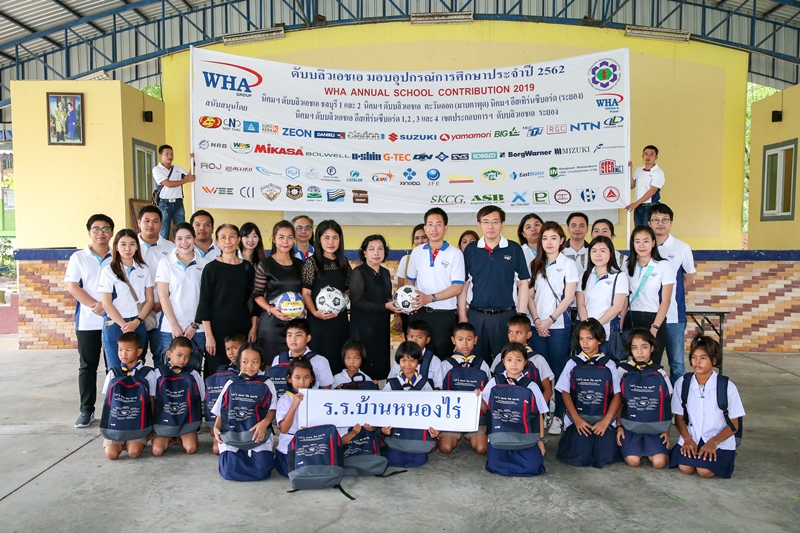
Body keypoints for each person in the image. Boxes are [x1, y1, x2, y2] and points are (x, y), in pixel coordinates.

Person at [527, 221, 579, 436]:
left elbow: (569, 297)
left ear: (561, 241)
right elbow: (529, 296)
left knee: (559, 371)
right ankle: (544, 412)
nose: (549, 242)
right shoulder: (534, 264)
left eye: (554, 238)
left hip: (559, 326)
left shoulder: (568, 264)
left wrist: (550, 319)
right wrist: (537, 320)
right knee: (540, 372)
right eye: (545, 238)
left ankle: (559, 415)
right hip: (537, 326)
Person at [459, 206, 530, 362]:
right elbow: (464, 285)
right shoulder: (471, 250)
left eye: (495, 222)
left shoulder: (514, 249)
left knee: (505, 361)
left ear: (502, 224)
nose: (490, 226)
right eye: (486, 222)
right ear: (479, 225)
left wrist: (521, 315)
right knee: (477, 361)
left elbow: (523, 283)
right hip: (476, 316)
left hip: (505, 317)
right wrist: (463, 315)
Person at [670, 334, 744, 479]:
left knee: (704, 471)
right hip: (692, 437)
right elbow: (679, 417)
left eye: (703, 358)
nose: (697, 361)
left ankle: (726, 456)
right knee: (686, 468)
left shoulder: (727, 387)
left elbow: (734, 425)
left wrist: (713, 442)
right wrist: (687, 439)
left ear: (714, 360)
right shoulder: (683, 383)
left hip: (719, 441)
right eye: (694, 357)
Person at [65, 214, 114, 428]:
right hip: (87, 322)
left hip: (114, 320)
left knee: (114, 367)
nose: (100, 233)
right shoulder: (78, 257)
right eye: (96, 229)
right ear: (89, 232)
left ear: (111, 233)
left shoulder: (118, 256)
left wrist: (107, 306)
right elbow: (73, 287)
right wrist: (97, 305)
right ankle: (87, 410)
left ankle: (113, 409)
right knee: (87, 366)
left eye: (105, 229)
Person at [555, 319, 623, 469]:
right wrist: (576, 419)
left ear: (600, 340)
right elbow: (565, 392)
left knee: (604, 455)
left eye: (589, 338)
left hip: (603, 418)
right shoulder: (572, 363)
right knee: (579, 456)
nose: (585, 343)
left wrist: (606, 421)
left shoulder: (609, 364)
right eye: (581, 339)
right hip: (579, 419)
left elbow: (618, 396)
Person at [196, 224, 257, 377]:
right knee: (218, 372)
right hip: (217, 330)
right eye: (223, 237)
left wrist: (254, 327)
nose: (227, 241)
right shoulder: (211, 269)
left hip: (242, 328)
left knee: (243, 370)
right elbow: (204, 302)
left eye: (231, 237)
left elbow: (254, 299)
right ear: (217, 241)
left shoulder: (247, 268)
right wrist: (209, 336)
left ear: (238, 239)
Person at [405, 208, 465, 360]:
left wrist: (430, 298)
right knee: (415, 358)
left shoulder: (455, 254)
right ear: (425, 228)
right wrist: (409, 304)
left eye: (438, 224)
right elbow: (410, 282)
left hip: (444, 316)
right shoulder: (417, 252)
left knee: (442, 358)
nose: (434, 229)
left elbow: (457, 288)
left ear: (446, 228)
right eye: (430, 224)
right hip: (419, 314)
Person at [212, 342, 277, 481]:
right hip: (233, 432)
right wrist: (216, 427)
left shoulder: (267, 383)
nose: (250, 366)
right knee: (228, 471)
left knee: (262, 471)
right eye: (245, 361)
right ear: (238, 362)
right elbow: (221, 410)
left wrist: (264, 423)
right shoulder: (231, 382)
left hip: (257, 434)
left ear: (261, 362)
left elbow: (272, 409)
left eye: (255, 362)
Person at [482, 342, 548, 476]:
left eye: (518, 360)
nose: (514, 364)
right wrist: (478, 398)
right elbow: (485, 409)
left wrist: (541, 440)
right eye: (509, 360)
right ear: (503, 362)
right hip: (500, 435)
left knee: (533, 466)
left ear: (525, 362)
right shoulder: (494, 382)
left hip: (525, 436)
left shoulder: (531, 386)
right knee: (494, 464)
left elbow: (539, 414)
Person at [650, 203, 695, 385]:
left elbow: (689, 279)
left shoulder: (682, 248)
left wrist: (670, 296)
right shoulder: (644, 246)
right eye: (656, 220)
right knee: (649, 361)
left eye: (665, 220)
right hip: (649, 314)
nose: (660, 223)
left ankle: (679, 400)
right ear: (649, 223)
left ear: (671, 222)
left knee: (676, 363)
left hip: (674, 316)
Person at [616, 329, 672, 469]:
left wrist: (666, 430)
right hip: (630, 426)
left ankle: (653, 449)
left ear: (652, 348)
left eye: (644, 347)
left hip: (654, 427)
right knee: (633, 461)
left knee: (659, 463)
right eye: (635, 348)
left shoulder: (659, 372)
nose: (639, 352)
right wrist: (619, 426)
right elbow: (617, 401)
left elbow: (667, 402)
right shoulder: (623, 370)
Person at [301, 220, 351, 375]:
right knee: (320, 361)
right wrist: (315, 313)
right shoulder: (312, 263)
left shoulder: (343, 262)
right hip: (318, 322)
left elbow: (348, 289)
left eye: (335, 237)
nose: (331, 242)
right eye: (326, 238)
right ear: (319, 239)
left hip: (339, 320)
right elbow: (306, 293)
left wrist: (342, 300)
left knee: (339, 357)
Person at [98, 229, 153, 369]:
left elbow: (150, 300)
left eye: (132, 244)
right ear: (116, 247)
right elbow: (106, 303)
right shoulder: (108, 271)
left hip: (137, 323)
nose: (127, 248)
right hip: (115, 325)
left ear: (137, 247)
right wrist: (124, 326)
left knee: (137, 366)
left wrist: (136, 322)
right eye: (123, 244)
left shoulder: (143, 269)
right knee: (116, 368)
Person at [381, 342, 440, 468]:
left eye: (412, 361)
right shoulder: (392, 384)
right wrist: (384, 427)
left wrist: (435, 429)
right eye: (404, 361)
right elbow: (382, 407)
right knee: (393, 459)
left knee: (419, 459)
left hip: (416, 432)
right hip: (396, 431)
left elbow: (432, 409)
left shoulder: (424, 384)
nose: (407, 365)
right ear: (398, 361)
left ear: (418, 362)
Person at [155, 222, 206, 366]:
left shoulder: (205, 264)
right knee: (170, 372)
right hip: (170, 329)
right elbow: (163, 296)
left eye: (188, 237)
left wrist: (194, 324)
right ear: (174, 240)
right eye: (179, 238)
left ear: (194, 238)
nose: (184, 242)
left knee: (193, 371)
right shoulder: (165, 263)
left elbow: (206, 299)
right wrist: (174, 324)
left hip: (198, 329)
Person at [624, 226, 675, 367]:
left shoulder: (663, 266)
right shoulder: (627, 266)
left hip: (654, 318)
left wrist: (655, 327)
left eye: (646, 241)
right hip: (632, 318)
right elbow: (624, 298)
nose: (641, 245)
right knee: (632, 364)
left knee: (652, 364)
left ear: (653, 243)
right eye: (637, 241)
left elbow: (666, 301)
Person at [438, 323, 491, 456]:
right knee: (445, 448)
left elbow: (489, 395)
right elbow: (438, 392)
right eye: (460, 339)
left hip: (476, 418)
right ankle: (455, 435)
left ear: (475, 340)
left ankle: (469, 435)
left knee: (481, 449)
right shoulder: (445, 365)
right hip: (451, 417)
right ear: (453, 340)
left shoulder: (482, 364)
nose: (465, 344)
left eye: (469, 339)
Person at [253, 221, 304, 358]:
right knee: (270, 365)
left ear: (294, 240)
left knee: (296, 364)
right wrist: (271, 309)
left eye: (290, 237)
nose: (285, 241)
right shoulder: (265, 265)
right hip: (272, 324)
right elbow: (257, 295)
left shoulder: (300, 265)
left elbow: (305, 292)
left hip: (295, 325)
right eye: (281, 237)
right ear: (274, 239)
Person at [100, 332, 155, 460]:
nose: (123, 354)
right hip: (116, 424)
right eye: (120, 350)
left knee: (133, 453)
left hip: (138, 424)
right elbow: (108, 402)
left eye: (128, 350)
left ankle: (130, 442)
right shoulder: (113, 373)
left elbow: (152, 399)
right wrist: (106, 426)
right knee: (111, 455)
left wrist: (151, 426)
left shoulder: (148, 373)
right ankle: (120, 442)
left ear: (139, 351)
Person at [349, 235, 396, 380]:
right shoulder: (358, 272)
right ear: (364, 252)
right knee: (363, 367)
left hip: (381, 327)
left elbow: (387, 297)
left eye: (380, 249)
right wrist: (385, 306)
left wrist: (397, 306)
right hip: (363, 328)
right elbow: (357, 302)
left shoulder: (385, 272)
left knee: (380, 368)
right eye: (371, 249)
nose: (376, 253)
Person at [152, 337, 204, 456]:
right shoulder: (157, 373)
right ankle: (167, 436)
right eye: (179, 355)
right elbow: (153, 399)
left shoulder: (193, 374)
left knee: (191, 448)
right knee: (157, 451)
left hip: (185, 420)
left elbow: (201, 397)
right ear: (169, 354)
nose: (182, 360)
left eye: (187, 356)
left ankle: (180, 436)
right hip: (164, 421)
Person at [576, 236, 628, 354]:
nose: (598, 255)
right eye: (594, 251)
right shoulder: (584, 276)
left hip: (607, 333)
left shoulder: (619, 276)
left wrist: (595, 328)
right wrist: (587, 328)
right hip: (586, 335)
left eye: (602, 251)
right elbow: (581, 304)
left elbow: (617, 307)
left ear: (611, 253)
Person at [137, 205, 175, 362]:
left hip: (162, 311)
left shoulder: (171, 248)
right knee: (135, 358)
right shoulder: (129, 246)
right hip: (136, 312)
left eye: (155, 221)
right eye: (146, 221)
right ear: (139, 222)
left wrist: (162, 303)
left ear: (161, 223)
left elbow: (176, 280)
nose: (150, 225)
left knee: (162, 357)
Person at [488, 315, 554, 405]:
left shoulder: (537, 359)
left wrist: (537, 410)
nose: (513, 336)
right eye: (510, 332)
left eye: (518, 333)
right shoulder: (500, 357)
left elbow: (548, 390)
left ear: (528, 335)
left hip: (529, 408)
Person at [274, 358, 315, 477]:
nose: (302, 382)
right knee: (296, 473)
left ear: (311, 379)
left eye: (306, 377)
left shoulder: (316, 397)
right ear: (289, 379)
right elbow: (284, 429)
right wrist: (294, 405)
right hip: (289, 445)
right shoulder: (285, 399)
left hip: (311, 442)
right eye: (297, 377)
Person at [268, 318, 334, 390]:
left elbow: (326, 388)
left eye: (298, 335)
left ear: (308, 338)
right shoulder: (278, 359)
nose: (293, 339)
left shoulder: (320, 361)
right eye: (289, 335)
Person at [153, 145, 195, 240]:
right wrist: (186, 180)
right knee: (164, 232)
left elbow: (189, 176)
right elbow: (168, 184)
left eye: (171, 154)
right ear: (160, 155)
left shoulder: (178, 168)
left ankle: (181, 248)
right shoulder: (157, 169)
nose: (170, 156)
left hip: (178, 203)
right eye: (167, 154)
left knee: (182, 230)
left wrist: (193, 161)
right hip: (164, 204)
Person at [387, 320, 443, 389]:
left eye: (419, 337)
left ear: (427, 340)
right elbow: (391, 381)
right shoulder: (401, 358)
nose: (414, 340)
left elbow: (438, 387)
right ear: (406, 337)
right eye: (411, 337)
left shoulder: (434, 361)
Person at [394, 224, 428, 336]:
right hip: (409, 312)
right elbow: (399, 290)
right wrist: (398, 316)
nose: (420, 241)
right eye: (417, 238)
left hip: (430, 310)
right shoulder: (406, 260)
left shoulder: (437, 259)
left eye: (424, 237)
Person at [627, 145, 665, 228]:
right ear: (642, 156)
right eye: (646, 154)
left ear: (656, 157)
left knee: (648, 232)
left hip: (650, 206)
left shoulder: (658, 172)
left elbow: (652, 191)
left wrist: (635, 204)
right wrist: (629, 170)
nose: (648, 156)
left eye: (651, 154)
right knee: (639, 231)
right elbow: (632, 186)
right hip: (638, 206)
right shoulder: (639, 170)